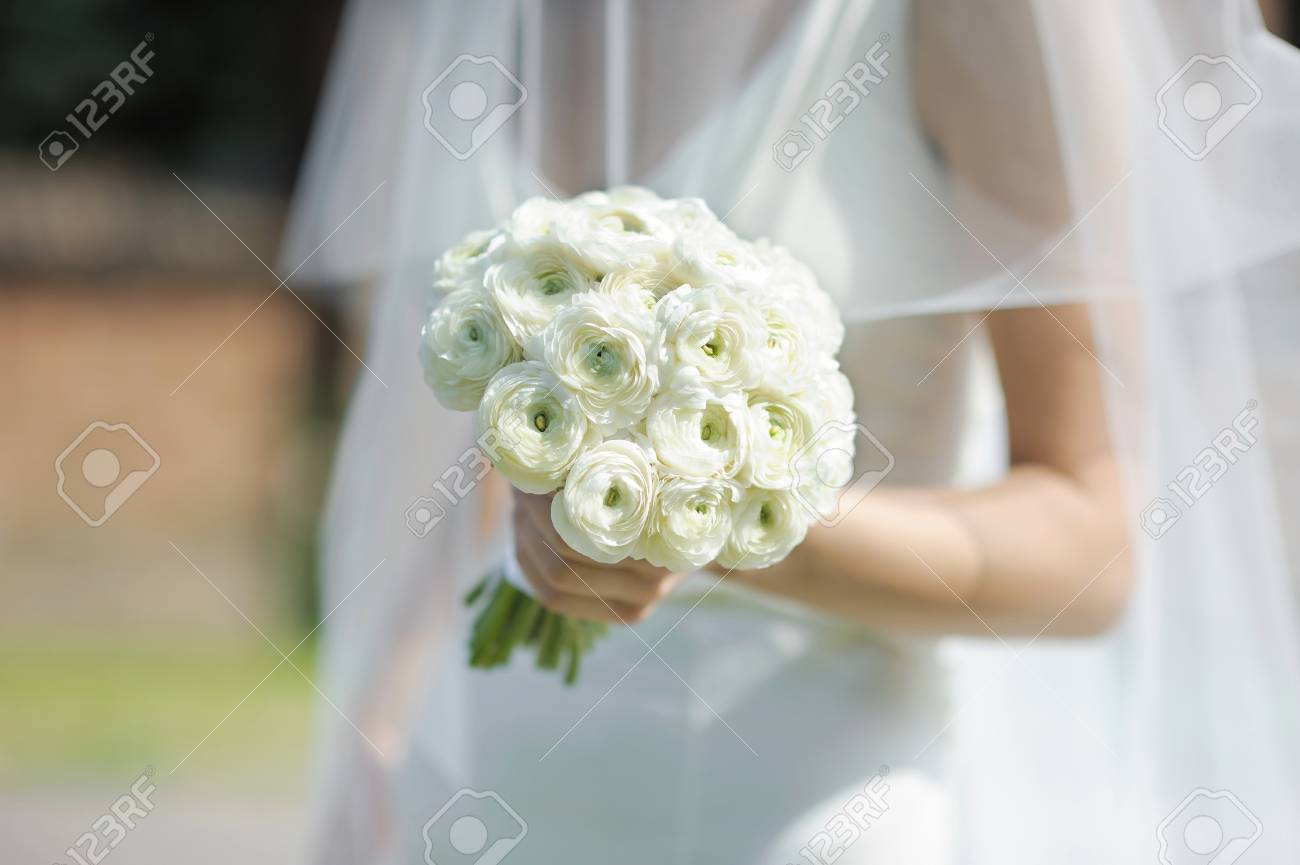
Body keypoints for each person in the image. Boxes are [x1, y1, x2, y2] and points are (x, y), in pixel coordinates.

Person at [283, 1, 1300, 862]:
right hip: (474, 797)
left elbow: (1093, 538)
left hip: (798, 809)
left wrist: (710, 520)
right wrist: (373, 736)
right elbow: (463, 463)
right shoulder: (496, 20)